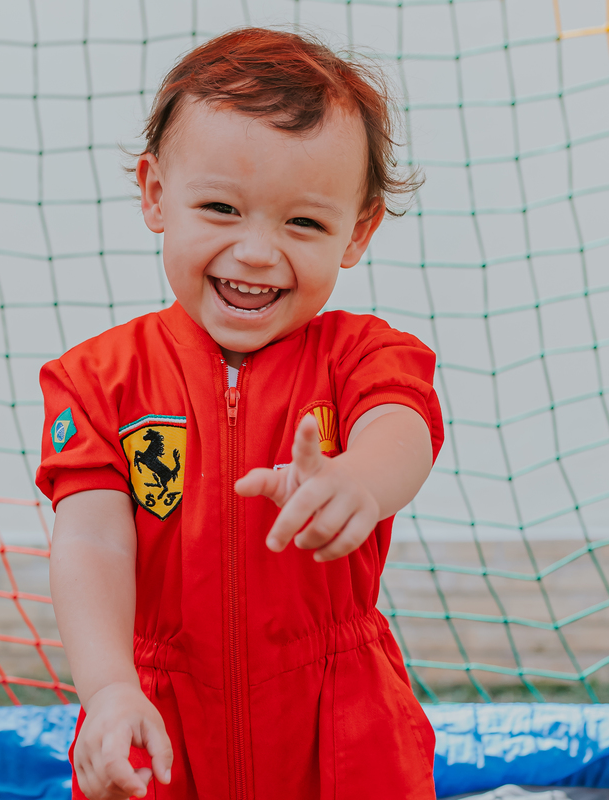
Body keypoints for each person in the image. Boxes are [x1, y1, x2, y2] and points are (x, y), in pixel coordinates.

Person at [37, 27, 443, 800]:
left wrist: (360, 480)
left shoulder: (363, 354)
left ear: (357, 231)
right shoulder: (97, 380)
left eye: (303, 224)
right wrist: (109, 690)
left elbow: (403, 427)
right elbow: (90, 538)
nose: (257, 252)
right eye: (221, 208)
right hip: (162, 715)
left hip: (339, 718)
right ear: (157, 195)